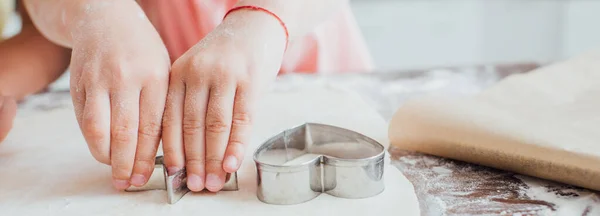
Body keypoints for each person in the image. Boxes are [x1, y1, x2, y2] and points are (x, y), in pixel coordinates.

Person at [1, 0, 373, 192]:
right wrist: (93, 11)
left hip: (311, 72)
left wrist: (263, 18)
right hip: (163, 101)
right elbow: (41, 27)